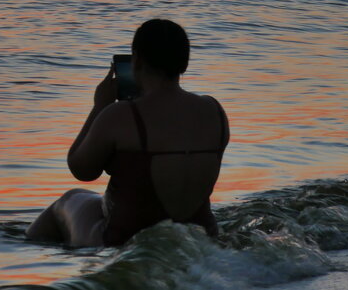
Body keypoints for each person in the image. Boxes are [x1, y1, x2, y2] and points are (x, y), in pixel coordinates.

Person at [25, 18, 229, 247]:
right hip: (203, 237)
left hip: (123, 239)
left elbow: (80, 168)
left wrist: (99, 107)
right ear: (184, 64)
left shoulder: (120, 115)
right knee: (93, 202)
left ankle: (27, 255)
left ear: (137, 62)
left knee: (69, 199)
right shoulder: (214, 111)